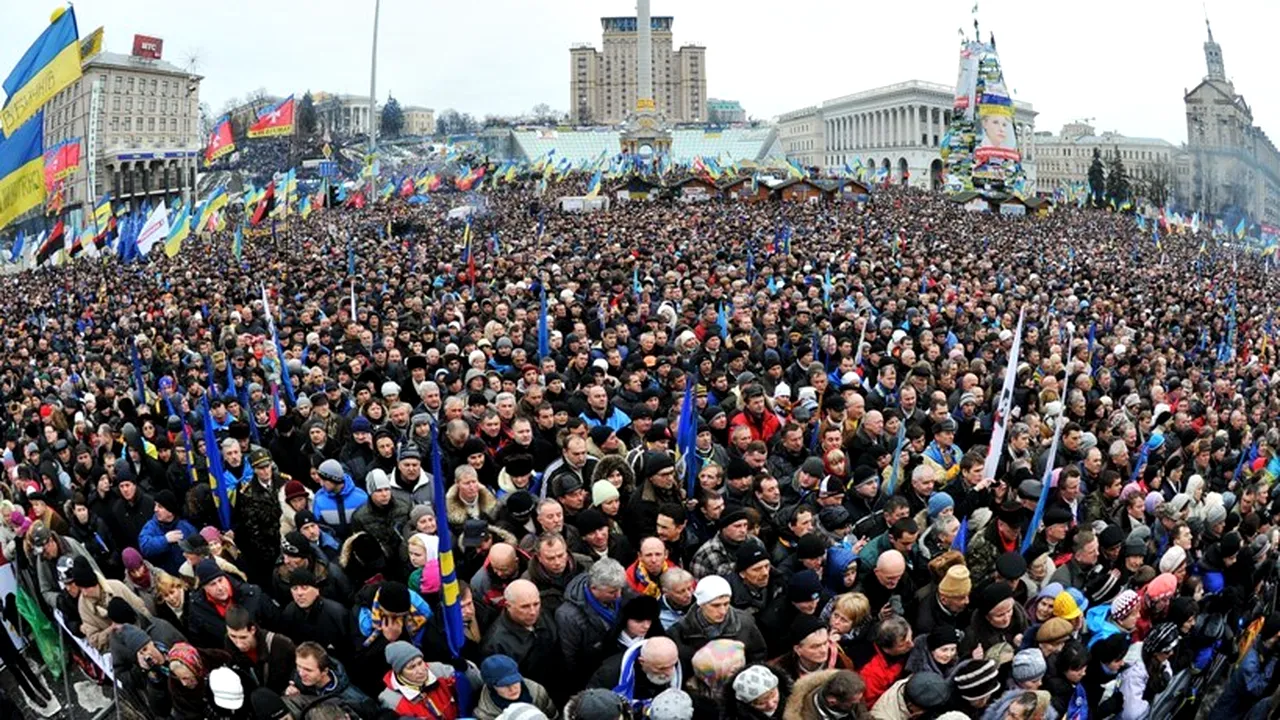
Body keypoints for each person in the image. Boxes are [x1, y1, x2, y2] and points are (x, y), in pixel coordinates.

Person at [669, 574, 768, 664]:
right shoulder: (679, 632)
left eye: (726, 604)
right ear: (702, 605)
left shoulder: (745, 623)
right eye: (716, 605)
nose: (723, 611)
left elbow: (758, 655)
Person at [377, 640, 461, 719]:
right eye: (412, 667)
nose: (420, 671)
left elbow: (471, 686)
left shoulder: (439, 670)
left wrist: (466, 670)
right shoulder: (391, 701)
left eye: (420, 663)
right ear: (400, 672)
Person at [475, 654, 558, 720]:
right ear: (491, 686)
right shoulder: (485, 714)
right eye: (503, 685)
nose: (512, 689)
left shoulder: (537, 691)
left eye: (514, 681)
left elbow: (553, 716)